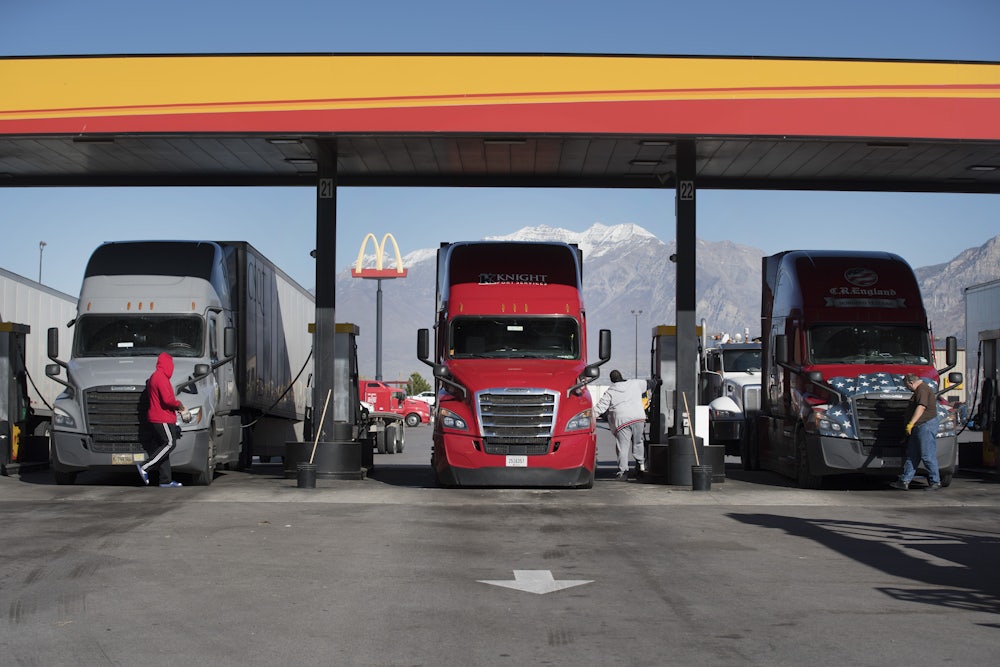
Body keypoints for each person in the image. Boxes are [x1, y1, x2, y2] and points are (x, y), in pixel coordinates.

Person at [594, 369, 658, 481]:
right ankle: (641, 467)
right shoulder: (635, 384)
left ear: (612, 380)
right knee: (638, 443)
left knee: (623, 447)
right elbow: (650, 383)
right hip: (638, 418)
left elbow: (600, 408)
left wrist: (588, 415)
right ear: (621, 376)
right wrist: (658, 381)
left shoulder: (610, 392)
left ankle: (623, 472)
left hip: (622, 421)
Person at [136, 352, 186, 488]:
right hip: (162, 417)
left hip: (157, 417)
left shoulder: (154, 377)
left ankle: (166, 480)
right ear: (168, 365)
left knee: (163, 447)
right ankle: (145, 467)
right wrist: (178, 405)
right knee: (170, 444)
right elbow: (167, 400)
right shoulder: (161, 378)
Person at [891, 373, 942, 491]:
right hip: (919, 427)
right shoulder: (921, 389)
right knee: (913, 455)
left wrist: (911, 423)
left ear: (911, 383)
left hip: (925, 426)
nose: (907, 388)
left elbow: (921, 407)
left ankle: (935, 482)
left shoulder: (922, 389)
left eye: (907, 386)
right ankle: (904, 481)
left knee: (927, 455)